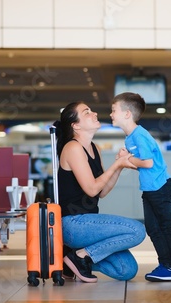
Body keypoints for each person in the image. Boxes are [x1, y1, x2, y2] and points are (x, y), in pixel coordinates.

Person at [55, 101, 146, 283]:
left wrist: (119, 166)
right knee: (137, 230)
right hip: (73, 223)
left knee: (127, 270)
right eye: (86, 111)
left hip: (89, 225)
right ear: (76, 125)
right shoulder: (72, 148)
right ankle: (80, 257)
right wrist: (116, 165)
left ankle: (71, 260)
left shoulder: (94, 148)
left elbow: (102, 191)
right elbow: (91, 189)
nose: (94, 113)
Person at [110, 92, 171, 282]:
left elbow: (147, 163)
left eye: (114, 110)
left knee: (164, 227)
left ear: (127, 114)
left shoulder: (140, 135)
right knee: (153, 228)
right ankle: (166, 264)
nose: (111, 114)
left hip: (160, 188)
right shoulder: (129, 138)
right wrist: (125, 161)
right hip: (150, 188)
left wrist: (128, 159)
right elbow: (140, 165)